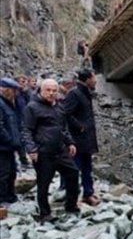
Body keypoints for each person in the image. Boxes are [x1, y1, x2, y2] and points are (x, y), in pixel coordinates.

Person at [22, 78, 79, 223]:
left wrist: (70, 142)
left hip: (60, 150)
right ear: (41, 90)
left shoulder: (59, 107)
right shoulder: (32, 107)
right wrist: (31, 149)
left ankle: (71, 205)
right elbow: (26, 130)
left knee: (73, 173)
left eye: (54, 90)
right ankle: (44, 213)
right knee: (44, 182)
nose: (51, 93)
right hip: (43, 152)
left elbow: (63, 127)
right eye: (48, 90)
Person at [61, 67, 100, 205]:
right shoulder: (74, 94)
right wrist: (80, 126)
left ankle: (88, 193)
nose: (95, 80)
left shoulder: (85, 92)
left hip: (86, 139)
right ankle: (72, 197)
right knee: (73, 169)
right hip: (77, 139)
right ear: (88, 78)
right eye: (94, 77)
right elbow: (65, 113)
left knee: (87, 168)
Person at [0, 77, 27, 213]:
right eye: (12, 90)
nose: (15, 93)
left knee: (11, 172)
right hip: (3, 147)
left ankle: (10, 197)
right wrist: (10, 140)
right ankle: (2, 199)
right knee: (3, 173)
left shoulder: (8, 103)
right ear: (6, 90)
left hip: (9, 147)